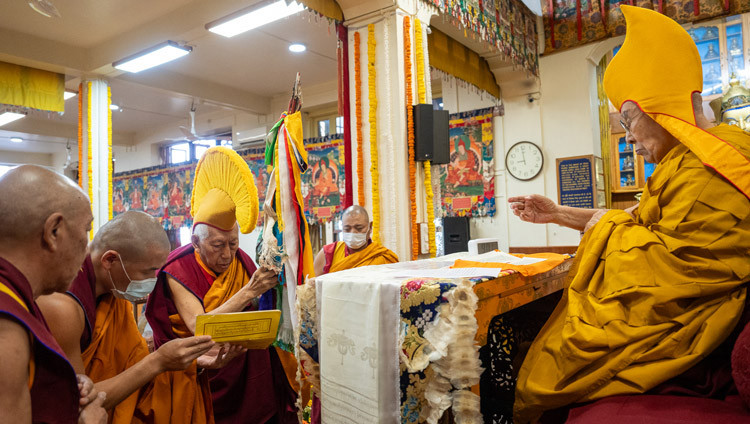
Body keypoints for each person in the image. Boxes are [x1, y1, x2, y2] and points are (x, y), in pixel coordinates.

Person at [508, 6, 750, 423]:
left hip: (689, 334)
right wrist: (557, 214)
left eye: (629, 118)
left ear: (663, 108)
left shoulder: (717, 169)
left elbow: (667, 265)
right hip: (675, 317)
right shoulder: (687, 163)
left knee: (545, 357)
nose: (628, 136)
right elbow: (637, 224)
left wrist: (603, 228)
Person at [146, 147, 297, 423]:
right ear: (195, 242)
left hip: (243, 370)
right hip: (200, 371)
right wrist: (250, 291)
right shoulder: (177, 268)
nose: (227, 254)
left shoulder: (240, 261)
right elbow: (198, 325)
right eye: (217, 245)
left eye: (233, 244)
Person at [37, 211, 220, 423]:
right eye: (147, 272)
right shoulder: (62, 306)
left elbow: (131, 357)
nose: (152, 281)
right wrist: (159, 361)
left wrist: (190, 362)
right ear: (110, 260)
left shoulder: (113, 288)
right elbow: (80, 403)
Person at [0, 165, 108, 423]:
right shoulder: (7, 331)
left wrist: (63, 389)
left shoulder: (17, 298)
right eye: (86, 230)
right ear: (54, 232)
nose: (86, 250)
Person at [313, 205, 399, 276]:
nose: (353, 232)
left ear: (370, 227)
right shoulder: (328, 253)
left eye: (359, 228)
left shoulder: (383, 257)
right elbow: (313, 290)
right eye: (347, 229)